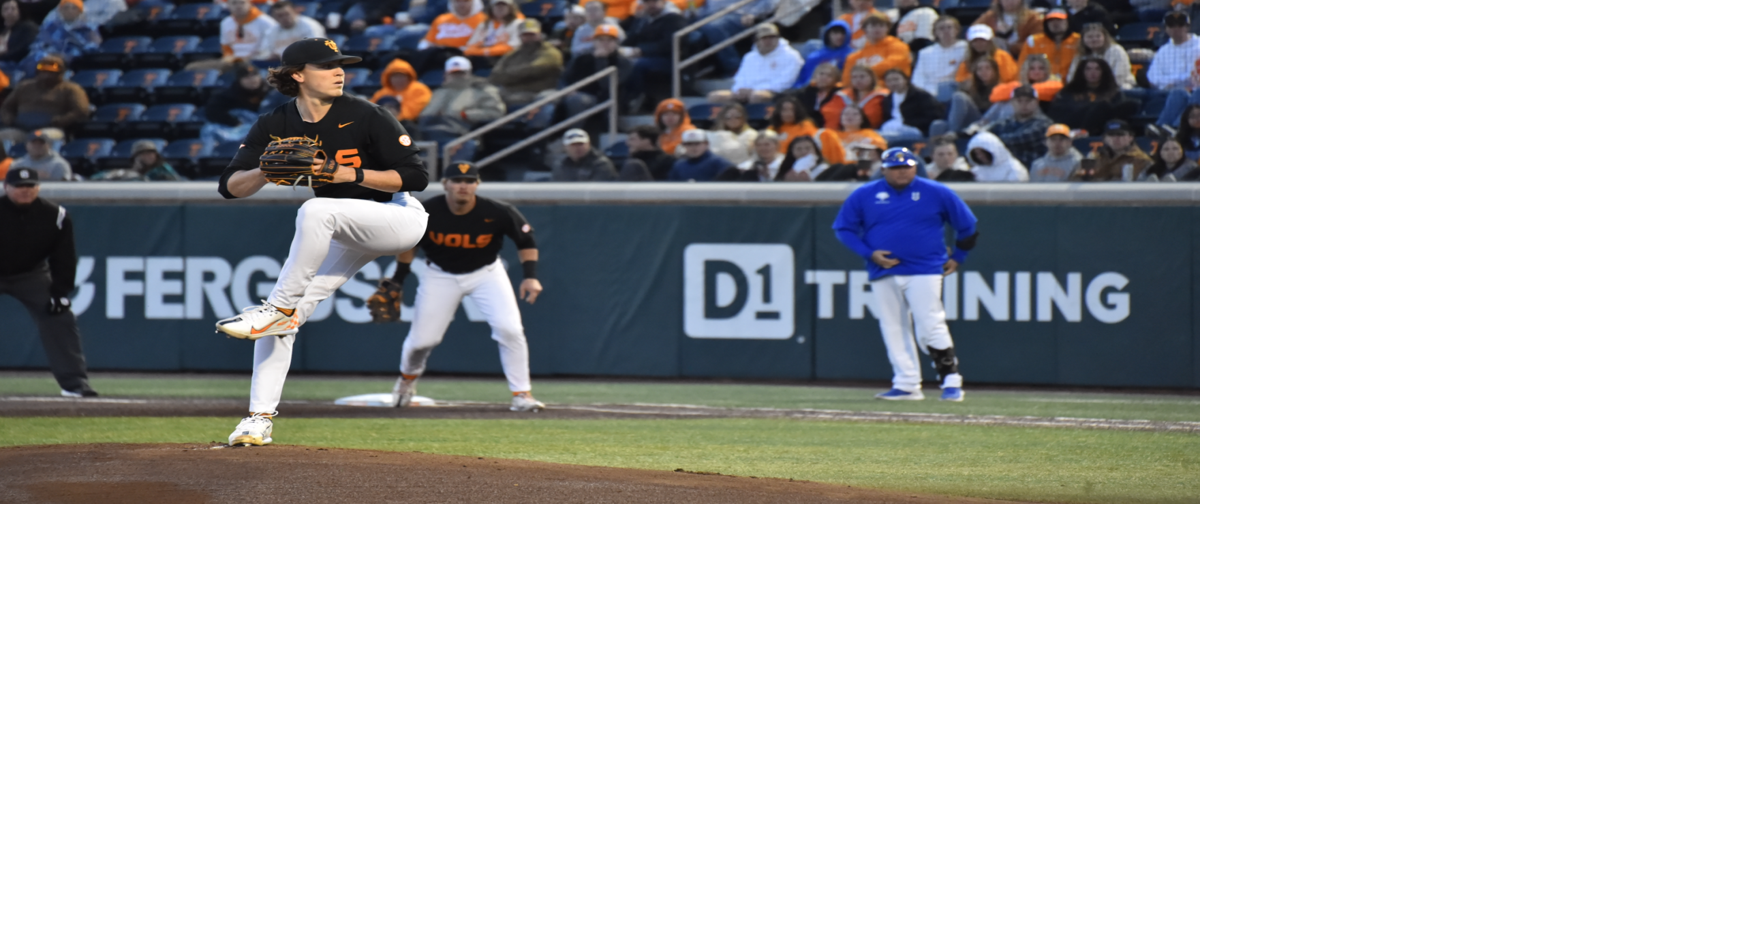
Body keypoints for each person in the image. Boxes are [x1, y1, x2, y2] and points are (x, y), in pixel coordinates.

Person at [211, 37, 431, 447]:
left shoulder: (367, 114)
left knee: (316, 210)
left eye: (341, 64)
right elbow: (230, 188)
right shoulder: (276, 123)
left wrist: (353, 175)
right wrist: (263, 168)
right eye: (327, 65)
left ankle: (276, 308)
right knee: (288, 316)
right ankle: (257, 419)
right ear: (297, 75)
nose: (339, 71)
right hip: (344, 227)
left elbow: (417, 177)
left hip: (398, 218)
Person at [382, 161, 545, 412]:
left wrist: (530, 276)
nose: (463, 186)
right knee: (422, 341)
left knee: (510, 329)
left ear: (477, 184)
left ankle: (522, 394)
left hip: (486, 273)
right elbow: (408, 245)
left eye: (469, 181)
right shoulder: (427, 212)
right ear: (445, 184)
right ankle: (406, 380)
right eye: (457, 180)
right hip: (440, 275)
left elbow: (526, 239)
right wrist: (399, 279)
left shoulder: (497, 211)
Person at [832, 147, 974, 401]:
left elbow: (968, 225)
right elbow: (844, 228)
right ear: (884, 169)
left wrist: (959, 257)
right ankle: (907, 383)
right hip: (884, 269)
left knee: (930, 322)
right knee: (893, 326)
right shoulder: (865, 194)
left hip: (924, 267)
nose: (902, 171)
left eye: (907, 166)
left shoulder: (936, 191)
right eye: (896, 168)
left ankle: (951, 380)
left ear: (915, 167)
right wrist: (869, 253)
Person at [0, 166, 95, 398]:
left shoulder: (55, 215)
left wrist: (61, 292)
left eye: (30, 186)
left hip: (30, 273)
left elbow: (64, 256)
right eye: (19, 186)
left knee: (60, 315)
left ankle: (74, 383)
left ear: (38, 188)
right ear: (5, 187)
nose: (25, 190)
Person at [420, 55, 505, 162]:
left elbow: (496, 112)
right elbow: (425, 114)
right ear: (446, 74)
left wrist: (466, 114)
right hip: (428, 132)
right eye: (454, 73)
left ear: (469, 73)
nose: (457, 76)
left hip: (462, 133)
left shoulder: (482, 90)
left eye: (461, 73)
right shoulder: (439, 92)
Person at [0, 55, 88, 144]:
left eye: (51, 72)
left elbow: (81, 110)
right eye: (44, 71)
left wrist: (60, 121)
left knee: (41, 137)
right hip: (21, 128)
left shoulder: (71, 89)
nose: (47, 75)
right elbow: (7, 107)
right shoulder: (24, 86)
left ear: (60, 73)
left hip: (51, 128)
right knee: (3, 136)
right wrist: (8, 118)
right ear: (38, 71)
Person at [710, 22, 800, 105]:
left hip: (775, 93)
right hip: (748, 92)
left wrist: (754, 91)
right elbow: (740, 78)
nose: (768, 40)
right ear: (757, 41)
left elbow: (786, 82)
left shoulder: (791, 55)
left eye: (772, 37)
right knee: (715, 96)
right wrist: (739, 90)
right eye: (764, 38)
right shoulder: (749, 57)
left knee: (756, 96)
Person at [621, 0, 686, 110]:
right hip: (646, 56)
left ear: (664, 2)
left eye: (654, 1)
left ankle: (635, 96)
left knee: (637, 64)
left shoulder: (674, 18)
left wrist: (641, 51)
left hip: (669, 59)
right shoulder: (643, 20)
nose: (651, 5)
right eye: (647, 2)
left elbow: (668, 44)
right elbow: (632, 38)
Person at [688, 0, 777, 77]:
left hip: (738, 13)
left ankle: (734, 68)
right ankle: (686, 77)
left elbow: (769, 1)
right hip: (707, 14)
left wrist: (753, 14)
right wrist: (690, 11)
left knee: (713, 27)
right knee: (681, 28)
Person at [562, 23, 635, 115]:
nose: (605, 44)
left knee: (576, 100)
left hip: (604, 101)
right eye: (600, 40)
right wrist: (567, 90)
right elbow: (564, 78)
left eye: (609, 40)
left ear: (616, 43)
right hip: (576, 93)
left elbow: (607, 86)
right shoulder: (583, 57)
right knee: (546, 96)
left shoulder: (624, 62)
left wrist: (601, 60)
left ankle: (574, 129)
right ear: (594, 42)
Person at [1047, 56, 1129, 136]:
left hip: (1102, 134)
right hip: (1070, 132)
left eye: (1097, 69)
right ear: (1081, 71)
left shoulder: (1114, 93)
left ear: (1104, 72)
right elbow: (1058, 114)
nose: (1093, 72)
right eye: (1088, 69)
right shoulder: (1068, 92)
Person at [491, 18, 562, 107]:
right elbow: (495, 74)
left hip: (536, 92)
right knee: (487, 95)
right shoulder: (513, 54)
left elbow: (533, 70)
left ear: (540, 34)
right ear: (520, 36)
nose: (529, 38)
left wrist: (508, 74)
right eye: (525, 35)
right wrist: (513, 75)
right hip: (510, 90)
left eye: (532, 34)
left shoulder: (551, 52)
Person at [1145, 8, 1198, 124]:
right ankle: (1165, 128)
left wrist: (1173, 81)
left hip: (1195, 92)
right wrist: (1177, 81)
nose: (1176, 29)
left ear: (1188, 27)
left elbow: (1194, 77)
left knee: (1184, 93)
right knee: (1177, 93)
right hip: (1167, 91)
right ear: (1166, 29)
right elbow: (1153, 78)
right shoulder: (1163, 50)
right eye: (1171, 25)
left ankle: (1170, 128)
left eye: (1180, 25)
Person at [185, 0, 273, 71]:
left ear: (249, 3)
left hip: (256, 60)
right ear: (228, 5)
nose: (238, 6)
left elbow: (269, 48)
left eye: (242, 2)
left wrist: (248, 58)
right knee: (191, 67)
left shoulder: (265, 22)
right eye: (234, 3)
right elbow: (226, 47)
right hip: (233, 61)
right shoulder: (226, 22)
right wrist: (228, 57)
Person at [982, 85, 1050, 166]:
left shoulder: (1044, 124)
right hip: (1004, 169)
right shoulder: (1004, 122)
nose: (1024, 104)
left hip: (1031, 169)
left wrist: (992, 140)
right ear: (1012, 102)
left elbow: (1019, 139)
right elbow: (984, 135)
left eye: (1028, 101)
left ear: (1036, 102)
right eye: (1019, 101)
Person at [415, 0, 486, 74]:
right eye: (457, 1)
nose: (461, 4)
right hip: (438, 53)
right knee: (407, 54)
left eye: (466, 1)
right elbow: (427, 41)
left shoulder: (483, 20)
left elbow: (478, 44)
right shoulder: (441, 19)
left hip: (463, 54)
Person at [24, 0, 99, 69]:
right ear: (60, 10)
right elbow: (38, 44)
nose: (70, 10)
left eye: (74, 8)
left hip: (74, 62)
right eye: (66, 7)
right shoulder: (51, 26)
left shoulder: (89, 28)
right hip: (48, 58)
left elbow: (92, 47)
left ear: (80, 11)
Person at [202, 61, 270, 137]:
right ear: (239, 80)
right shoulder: (231, 94)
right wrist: (235, 122)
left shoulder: (271, 90)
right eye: (246, 77)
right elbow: (212, 110)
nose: (252, 79)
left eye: (254, 75)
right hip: (241, 130)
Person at [841, 15, 910, 87]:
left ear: (888, 29)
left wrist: (863, 75)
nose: (877, 29)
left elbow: (892, 66)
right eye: (873, 25)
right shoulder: (853, 57)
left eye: (881, 26)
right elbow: (847, 81)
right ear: (865, 29)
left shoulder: (899, 47)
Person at [877, 67, 939, 145]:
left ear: (905, 80)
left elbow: (933, 116)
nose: (893, 83)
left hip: (914, 130)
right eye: (889, 81)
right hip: (891, 128)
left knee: (881, 138)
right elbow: (887, 117)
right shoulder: (887, 99)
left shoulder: (921, 95)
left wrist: (906, 123)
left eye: (896, 79)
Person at [910, 15, 964, 101]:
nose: (946, 31)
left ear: (956, 30)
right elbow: (918, 78)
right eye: (941, 28)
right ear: (935, 33)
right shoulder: (925, 53)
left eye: (949, 27)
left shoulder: (965, 48)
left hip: (953, 90)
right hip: (929, 92)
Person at [824, 63, 886, 135]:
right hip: (842, 134)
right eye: (854, 77)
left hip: (873, 133)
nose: (858, 80)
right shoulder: (842, 95)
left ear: (872, 78)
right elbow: (831, 116)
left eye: (862, 77)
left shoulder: (882, 96)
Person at [1022, 10, 1077, 88]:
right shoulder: (1033, 41)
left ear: (1068, 22)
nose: (1055, 24)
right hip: (1040, 86)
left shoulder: (1078, 40)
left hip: (1072, 86)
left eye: (1059, 20)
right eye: (1051, 21)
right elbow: (1022, 67)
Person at [1069, 20, 1132, 88]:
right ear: (1083, 39)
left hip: (1118, 88)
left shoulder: (1116, 50)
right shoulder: (1080, 55)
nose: (1094, 39)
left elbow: (1119, 77)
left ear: (1105, 37)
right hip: (1087, 90)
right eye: (1089, 37)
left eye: (1098, 36)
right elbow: (1071, 77)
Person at [370, 58, 431, 125]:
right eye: (395, 76)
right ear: (388, 78)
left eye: (402, 76)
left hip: (409, 125)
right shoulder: (383, 92)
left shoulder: (419, 90)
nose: (399, 79)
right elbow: (370, 109)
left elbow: (411, 113)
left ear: (408, 76)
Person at [973, 0, 1041, 60]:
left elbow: (1037, 42)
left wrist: (1011, 47)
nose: (1009, 1)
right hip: (993, 59)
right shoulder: (989, 17)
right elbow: (973, 32)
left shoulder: (1033, 18)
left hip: (1022, 59)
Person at [792, 20, 850, 89]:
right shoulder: (815, 57)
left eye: (843, 33)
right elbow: (806, 80)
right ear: (827, 34)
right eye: (835, 33)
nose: (839, 36)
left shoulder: (851, 55)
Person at [552, 126, 618, 179]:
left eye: (580, 144)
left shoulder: (602, 164)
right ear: (565, 147)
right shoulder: (560, 164)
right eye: (573, 145)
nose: (577, 148)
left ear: (589, 144)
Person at [667, 127, 732, 180]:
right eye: (689, 144)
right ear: (684, 146)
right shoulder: (679, 166)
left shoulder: (719, 163)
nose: (693, 147)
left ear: (706, 144)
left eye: (697, 143)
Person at [2, 0, 41, 65]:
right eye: (6, 9)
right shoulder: (4, 31)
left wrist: (3, 56)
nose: (9, 12)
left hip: (19, 64)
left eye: (13, 8)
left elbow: (24, 49)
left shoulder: (28, 27)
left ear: (19, 11)